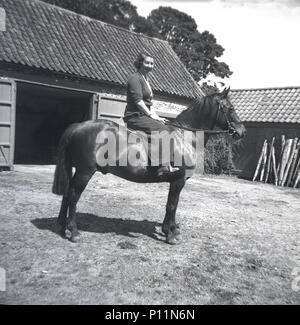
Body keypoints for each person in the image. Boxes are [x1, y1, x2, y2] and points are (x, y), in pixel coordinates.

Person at [123, 53, 178, 176]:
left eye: (152, 63)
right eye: (147, 62)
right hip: (135, 116)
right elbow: (138, 101)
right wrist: (150, 114)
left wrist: (157, 116)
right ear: (140, 63)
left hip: (144, 115)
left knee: (166, 126)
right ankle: (162, 165)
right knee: (163, 130)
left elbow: (149, 104)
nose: (150, 65)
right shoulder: (135, 78)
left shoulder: (146, 79)